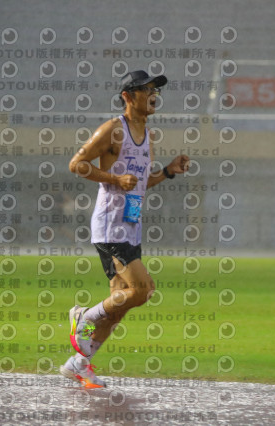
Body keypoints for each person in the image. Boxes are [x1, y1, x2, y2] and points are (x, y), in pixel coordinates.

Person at [59, 70, 190, 388]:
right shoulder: (113, 130)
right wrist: (114, 179)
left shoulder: (148, 136)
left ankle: (78, 365)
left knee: (117, 307)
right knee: (143, 290)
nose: (154, 95)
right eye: (147, 90)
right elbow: (77, 164)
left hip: (131, 226)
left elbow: (141, 184)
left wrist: (168, 172)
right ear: (128, 96)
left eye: (156, 90)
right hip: (111, 226)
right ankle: (84, 316)